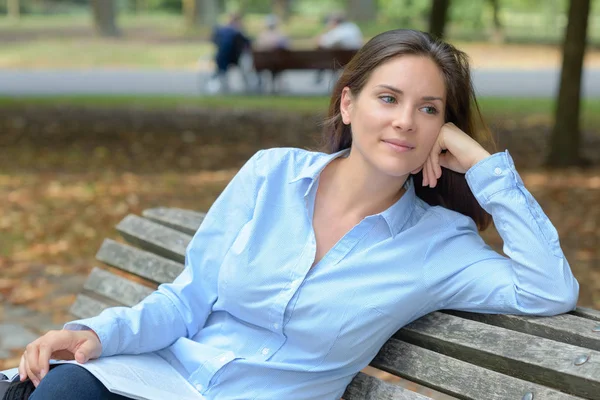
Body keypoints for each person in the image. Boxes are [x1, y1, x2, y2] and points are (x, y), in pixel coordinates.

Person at [10, 29, 579, 400]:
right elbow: (187, 298)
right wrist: (96, 335)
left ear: (442, 131)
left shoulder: (442, 244)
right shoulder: (271, 174)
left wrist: (483, 165)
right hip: (161, 380)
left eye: (428, 110)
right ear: (348, 103)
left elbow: (548, 289)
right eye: (388, 98)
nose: (406, 121)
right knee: (63, 393)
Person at [207, 13, 251, 93]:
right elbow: (247, 43)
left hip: (220, 57)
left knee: (221, 70)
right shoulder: (236, 31)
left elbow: (214, 41)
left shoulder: (221, 30)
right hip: (232, 58)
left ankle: (221, 84)